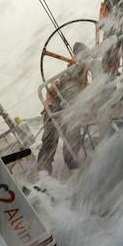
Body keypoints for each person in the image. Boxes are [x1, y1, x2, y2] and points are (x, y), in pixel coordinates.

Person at [37, 42, 91, 174]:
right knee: (49, 143)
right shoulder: (70, 70)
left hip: (70, 112)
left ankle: (74, 171)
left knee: (73, 141)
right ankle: (43, 178)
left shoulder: (83, 71)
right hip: (54, 110)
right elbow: (54, 90)